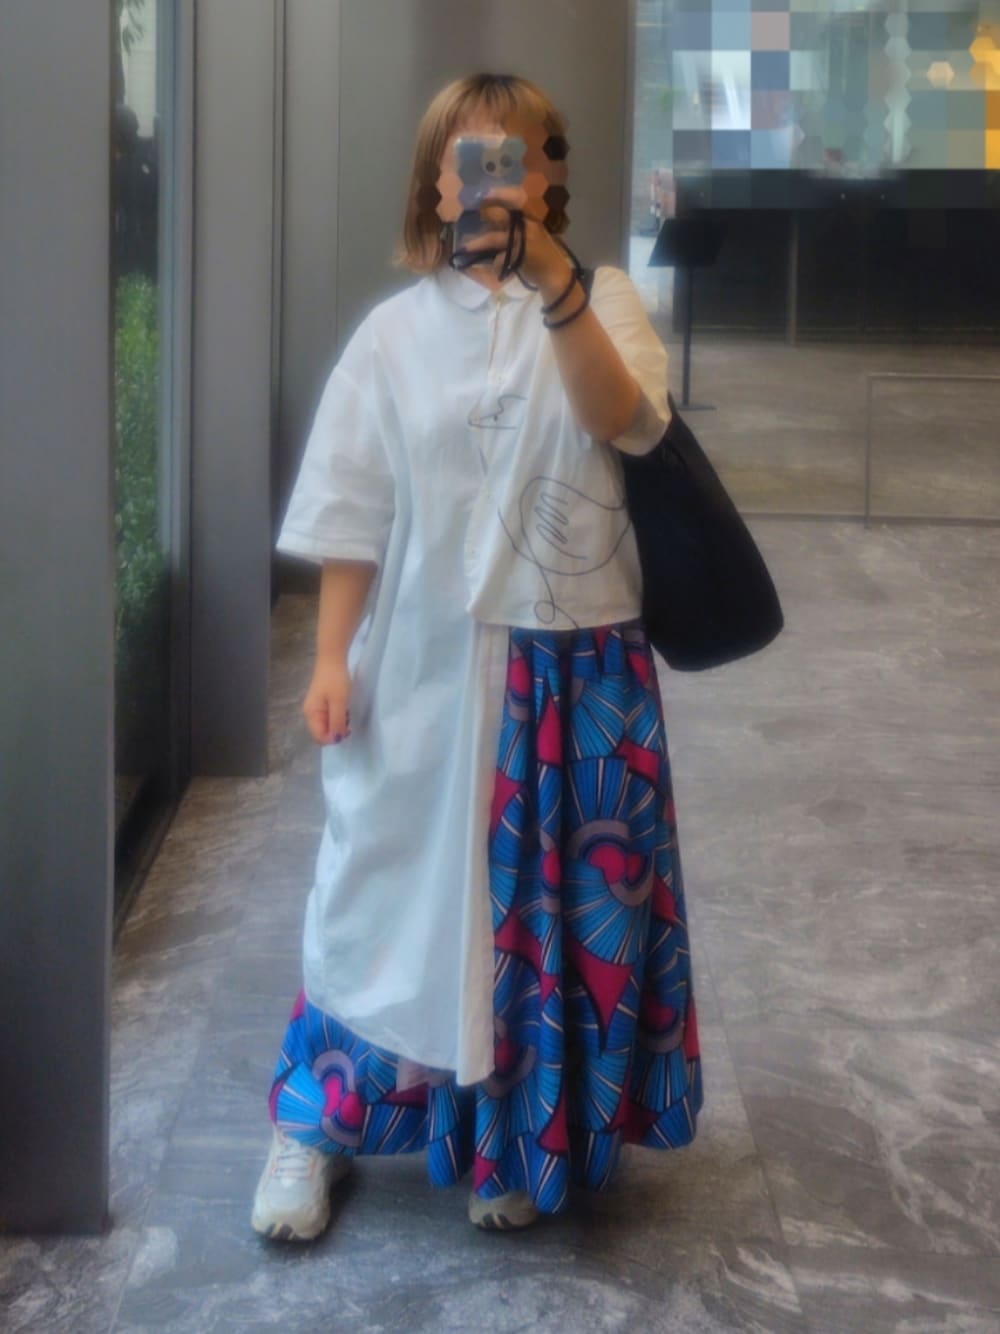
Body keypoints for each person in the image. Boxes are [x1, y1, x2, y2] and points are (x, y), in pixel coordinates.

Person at [252, 72, 703, 1241]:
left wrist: (555, 285)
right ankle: (311, 1122)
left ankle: (510, 1140)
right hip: (424, 667)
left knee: (547, 915)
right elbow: (352, 508)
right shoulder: (393, 335)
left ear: (552, 174)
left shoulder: (608, 303)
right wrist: (329, 657)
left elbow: (624, 422)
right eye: (471, 156)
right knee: (377, 894)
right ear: (437, 183)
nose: (495, 173)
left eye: (519, 152)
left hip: (578, 670)